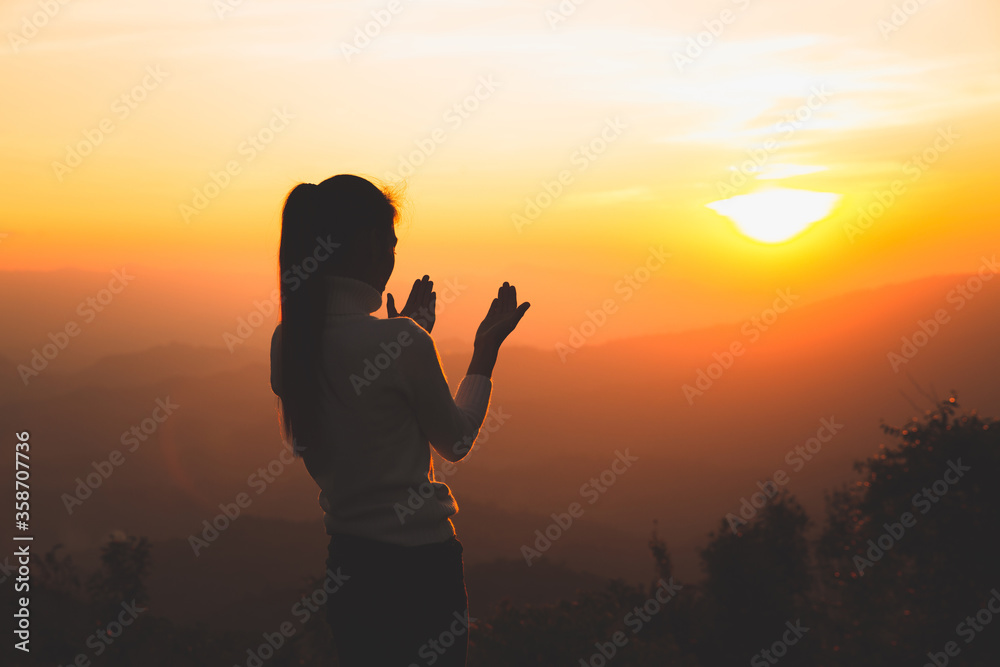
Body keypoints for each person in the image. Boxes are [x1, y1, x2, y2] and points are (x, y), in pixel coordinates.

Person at [268, 174, 529, 666]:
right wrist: (484, 353)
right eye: (389, 244)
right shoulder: (402, 343)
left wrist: (402, 335)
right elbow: (455, 441)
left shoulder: (289, 342)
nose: (392, 259)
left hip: (349, 568)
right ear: (366, 245)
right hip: (422, 572)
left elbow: (359, 405)